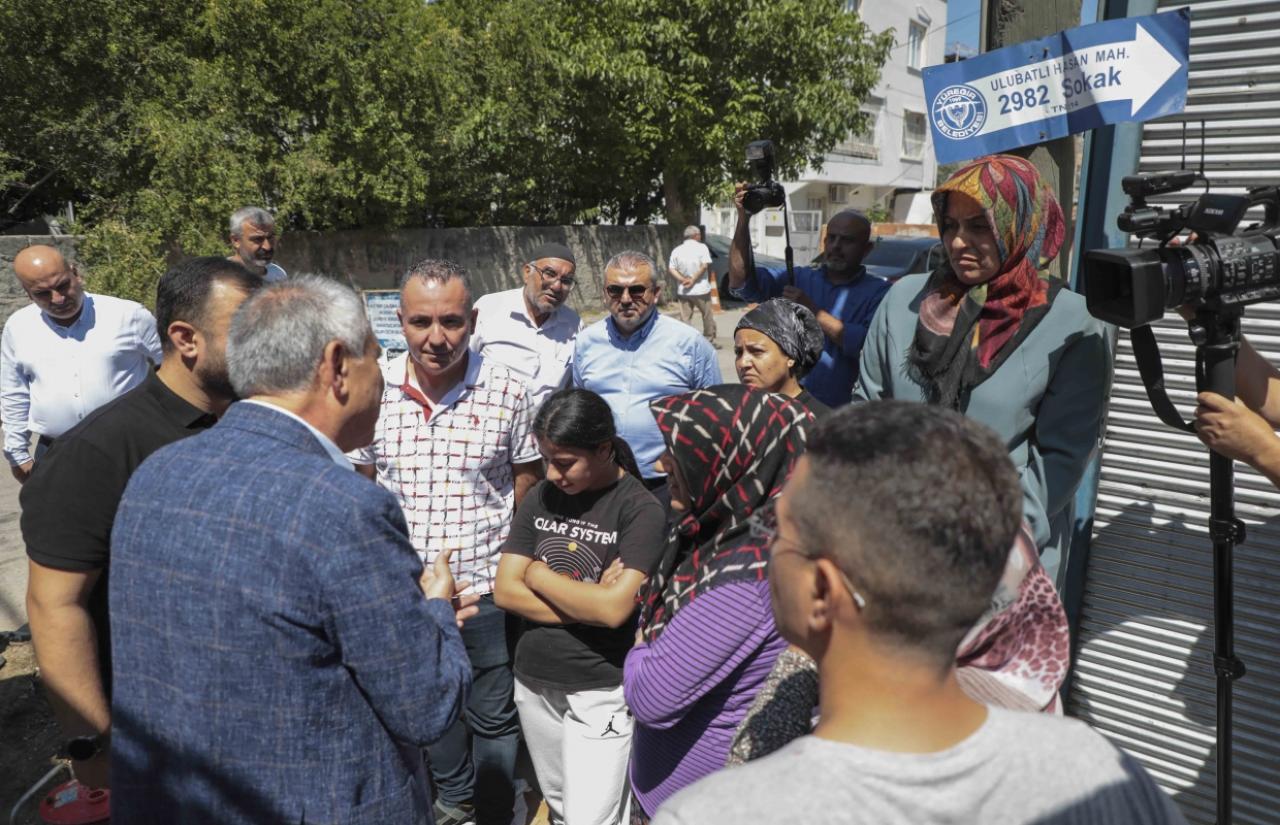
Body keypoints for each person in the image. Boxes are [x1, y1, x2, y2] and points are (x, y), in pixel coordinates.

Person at [653, 401, 1186, 825]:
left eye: (777, 531)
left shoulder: (719, 813)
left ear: (821, 591)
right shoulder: (1096, 771)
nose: (766, 547)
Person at [108, 276, 475, 823]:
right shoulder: (343, 507)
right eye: (378, 356)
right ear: (336, 366)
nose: (384, 376)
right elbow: (427, 707)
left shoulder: (157, 471)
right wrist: (437, 611)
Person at [21, 257, 260, 795]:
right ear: (185, 338)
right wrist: (94, 745)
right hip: (161, 744)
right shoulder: (100, 453)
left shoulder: (255, 421)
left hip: (251, 717)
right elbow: (55, 605)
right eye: (251, 331)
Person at [854, 153, 1112, 583]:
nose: (957, 242)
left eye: (979, 226)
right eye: (951, 225)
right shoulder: (904, 301)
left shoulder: (1073, 322)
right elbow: (866, 411)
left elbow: (1058, 462)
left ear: (1020, 223)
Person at [352, 258, 542, 825]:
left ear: (474, 319)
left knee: (492, 714)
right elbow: (360, 489)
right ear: (398, 321)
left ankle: (490, 808)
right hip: (405, 593)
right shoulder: (371, 389)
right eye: (421, 322)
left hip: (484, 590)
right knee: (427, 710)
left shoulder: (508, 390)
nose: (436, 338)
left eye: (452, 322)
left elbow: (526, 486)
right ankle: (454, 800)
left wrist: (512, 568)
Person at [624, 385, 807, 819]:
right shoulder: (744, 529)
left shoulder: (746, 580)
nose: (659, 464)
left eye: (677, 452)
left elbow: (650, 697)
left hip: (695, 802)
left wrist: (639, 643)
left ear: (734, 462)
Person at [494, 388, 666, 825]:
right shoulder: (542, 498)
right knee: (561, 807)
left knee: (592, 818)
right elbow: (504, 592)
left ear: (604, 449)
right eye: (546, 458)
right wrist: (589, 602)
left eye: (565, 462)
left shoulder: (639, 510)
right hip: (534, 682)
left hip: (599, 690)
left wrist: (537, 575)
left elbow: (613, 612)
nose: (551, 474)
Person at [573, 251, 721, 508]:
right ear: (605, 293)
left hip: (667, 484)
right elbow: (581, 408)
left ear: (657, 292)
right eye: (616, 290)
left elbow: (716, 418)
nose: (627, 299)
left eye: (638, 290)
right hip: (601, 480)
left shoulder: (690, 344)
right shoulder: (586, 342)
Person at [2, 245, 162, 481]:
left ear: (75, 274)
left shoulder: (129, 316)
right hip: (56, 451)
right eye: (43, 293)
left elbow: (174, 368)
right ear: (28, 293)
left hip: (130, 449)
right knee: (58, 518)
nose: (58, 299)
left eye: (62, 285)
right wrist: (18, 454)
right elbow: (14, 392)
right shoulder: (18, 328)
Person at [728, 195, 889, 408]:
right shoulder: (799, 278)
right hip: (786, 410)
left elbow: (864, 345)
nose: (836, 246)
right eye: (831, 238)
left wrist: (813, 311)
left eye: (847, 240)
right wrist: (743, 219)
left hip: (842, 414)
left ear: (866, 249)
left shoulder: (880, 292)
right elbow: (741, 281)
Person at [471, 241, 582, 411]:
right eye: (549, 273)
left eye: (566, 280)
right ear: (527, 272)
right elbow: (459, 366)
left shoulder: (574, 325)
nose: (557, 286)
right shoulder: (489, 309)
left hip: (544, 432)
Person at [734, 298, 830, 417]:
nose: (743, 363)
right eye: (738, 352)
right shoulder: (735, 416)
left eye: (756, 351)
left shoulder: (822, 424)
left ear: (790, 356)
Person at [667, 225, 716, 346]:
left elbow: (671, 268)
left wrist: (683, 279)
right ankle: (708, 339)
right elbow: (704, 265)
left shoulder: (677, 250)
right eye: (699, 234)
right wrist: (693, 279)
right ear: (696, 236)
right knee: (707, 315)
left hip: (684, 290)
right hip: (701, 290)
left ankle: (687, 341)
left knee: (685, 318)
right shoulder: (702, 247)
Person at [227, 205, 287, 282]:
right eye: (258, 239)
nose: (267, 247)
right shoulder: (218, 279)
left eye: (270, 238)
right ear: (236, 241)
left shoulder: (278, 275)